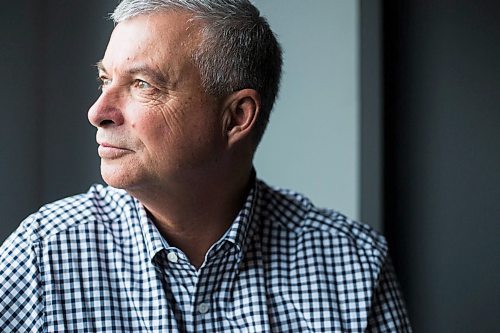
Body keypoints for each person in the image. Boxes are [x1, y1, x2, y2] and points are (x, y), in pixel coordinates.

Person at [0, 0, 411, 331]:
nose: (98, 111)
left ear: (235, 117)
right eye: (105, 80)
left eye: (142, 84)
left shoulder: (353, 264)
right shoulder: (41, 257)